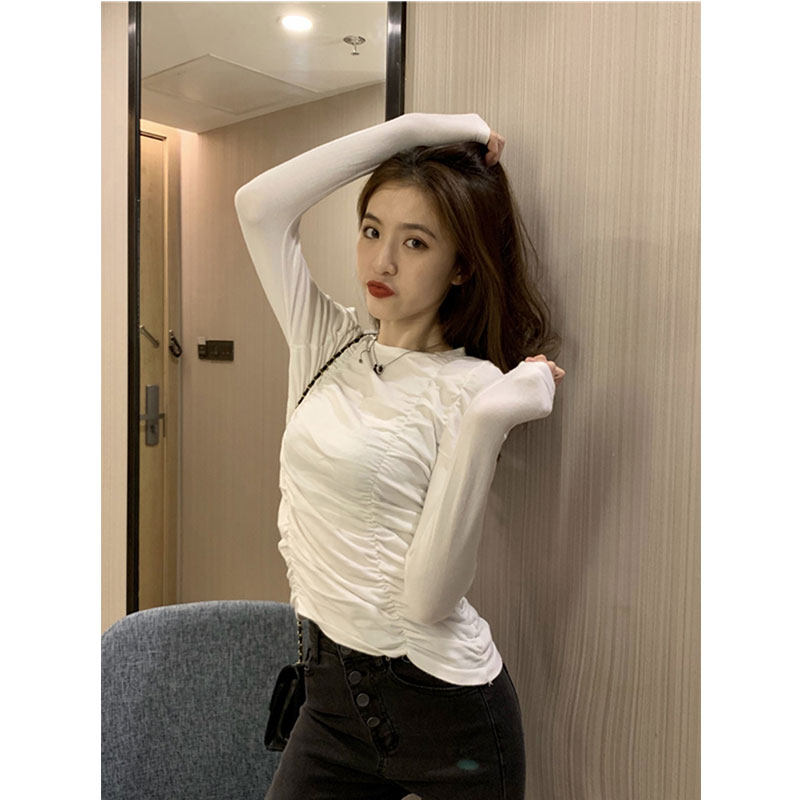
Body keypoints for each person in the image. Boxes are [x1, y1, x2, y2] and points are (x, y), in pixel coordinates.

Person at [235, 112, 565, 800]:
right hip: (329, 703)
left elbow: (429, 600)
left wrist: (490, 419)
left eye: (415, 242)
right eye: (371, 230)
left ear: (461, 266)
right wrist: (416, 129)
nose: (381, 262)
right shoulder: (325, 345)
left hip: (448, 717)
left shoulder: (472, 387)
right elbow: (258, 205)